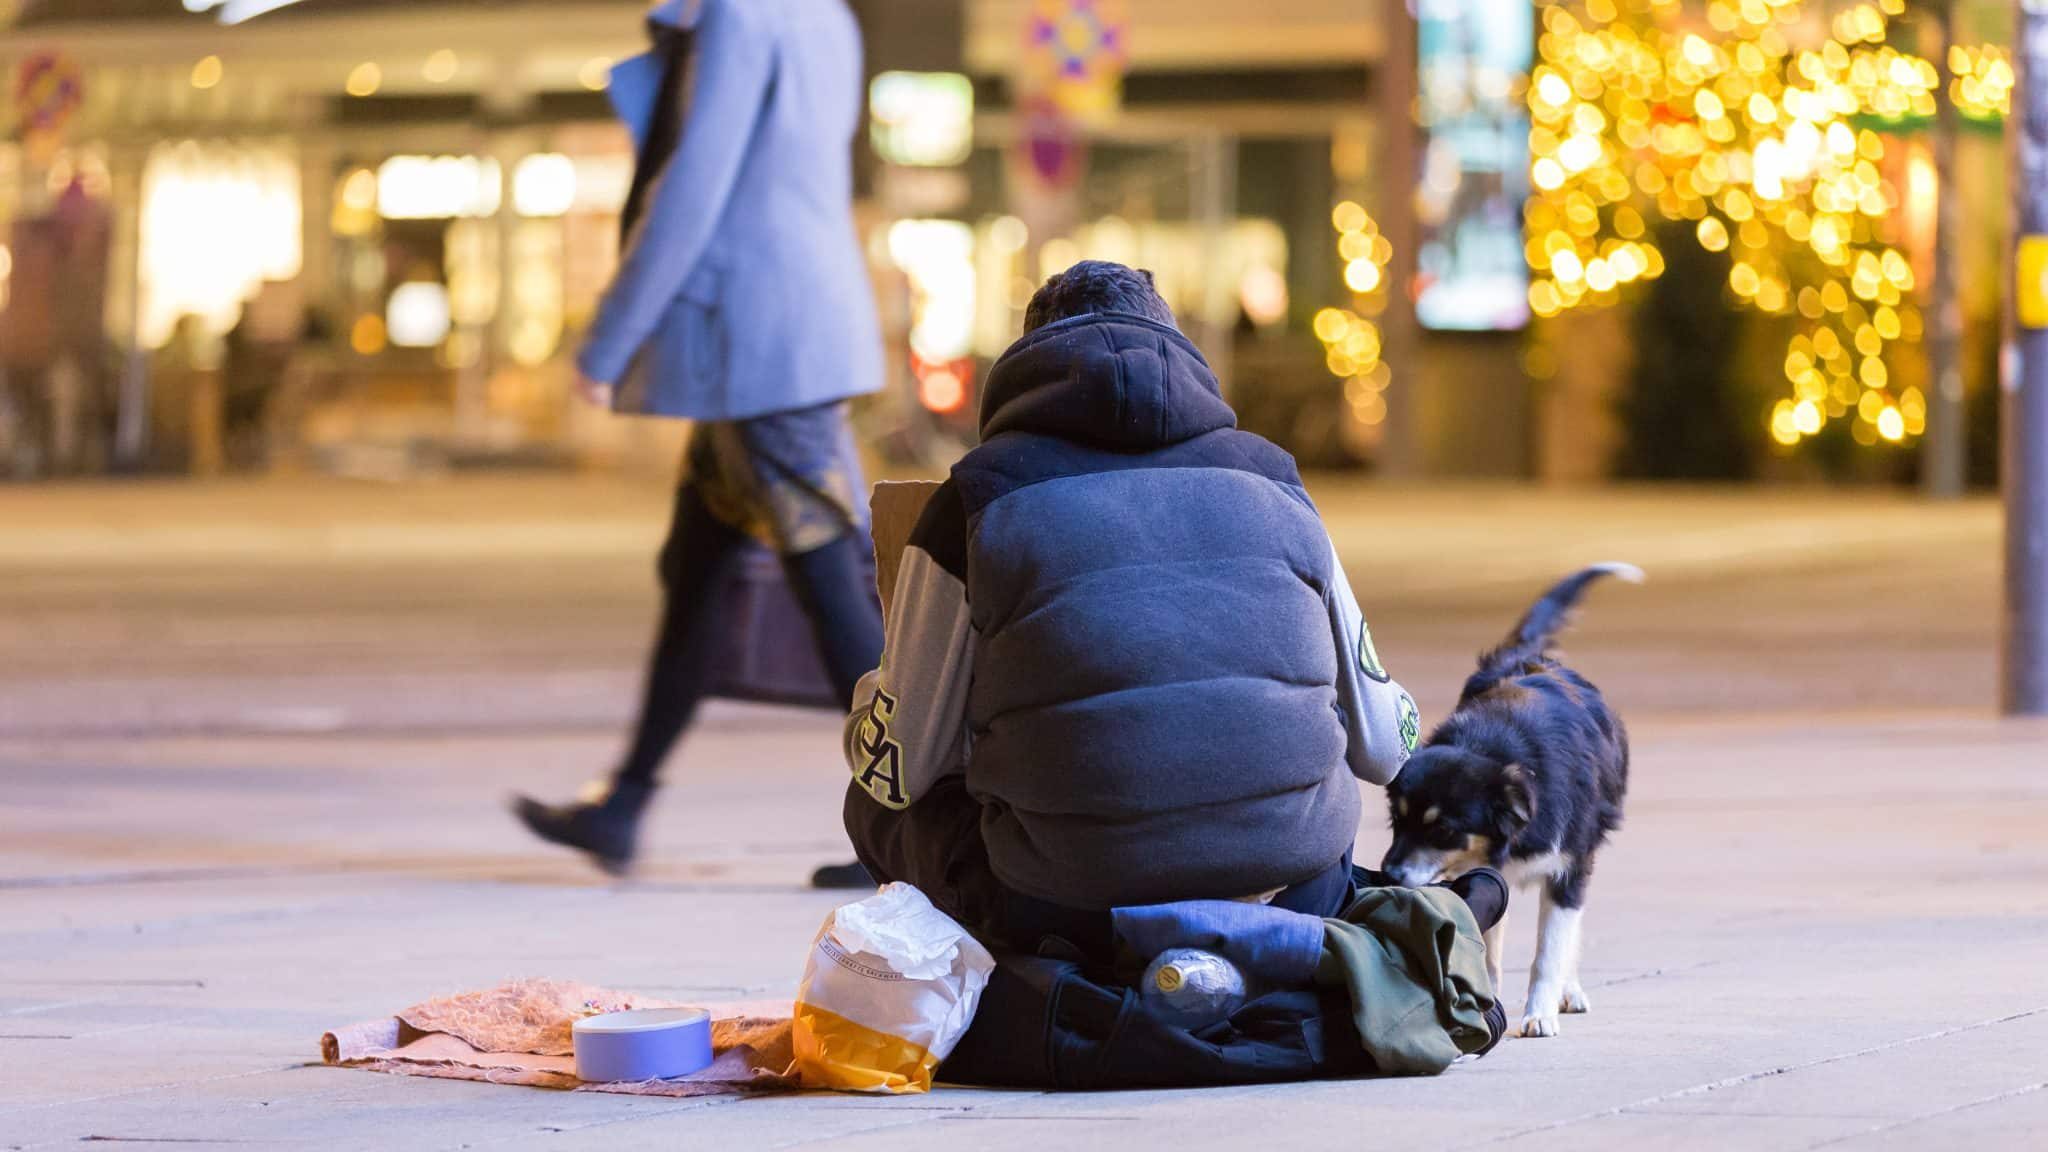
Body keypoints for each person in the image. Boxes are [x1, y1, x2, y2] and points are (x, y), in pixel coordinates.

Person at [840, 261, 1505, 956]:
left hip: (1067, 909)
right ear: (1178, 347)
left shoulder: (974, 498)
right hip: (1299, 890)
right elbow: (1385, 748)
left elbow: (900, 768)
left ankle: (1027, 984)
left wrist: (875, 695)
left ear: (1029, 361)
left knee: (874, 807)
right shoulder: (1274, 478)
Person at [515, 0, 884, 885]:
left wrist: (609, 339)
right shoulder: (818, 11)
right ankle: (626, 801)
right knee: (698, 572)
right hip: (769, 337)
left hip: (758, 344)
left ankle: (919, 825)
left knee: (834, 588)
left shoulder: (743, 16)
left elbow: (694, 185)